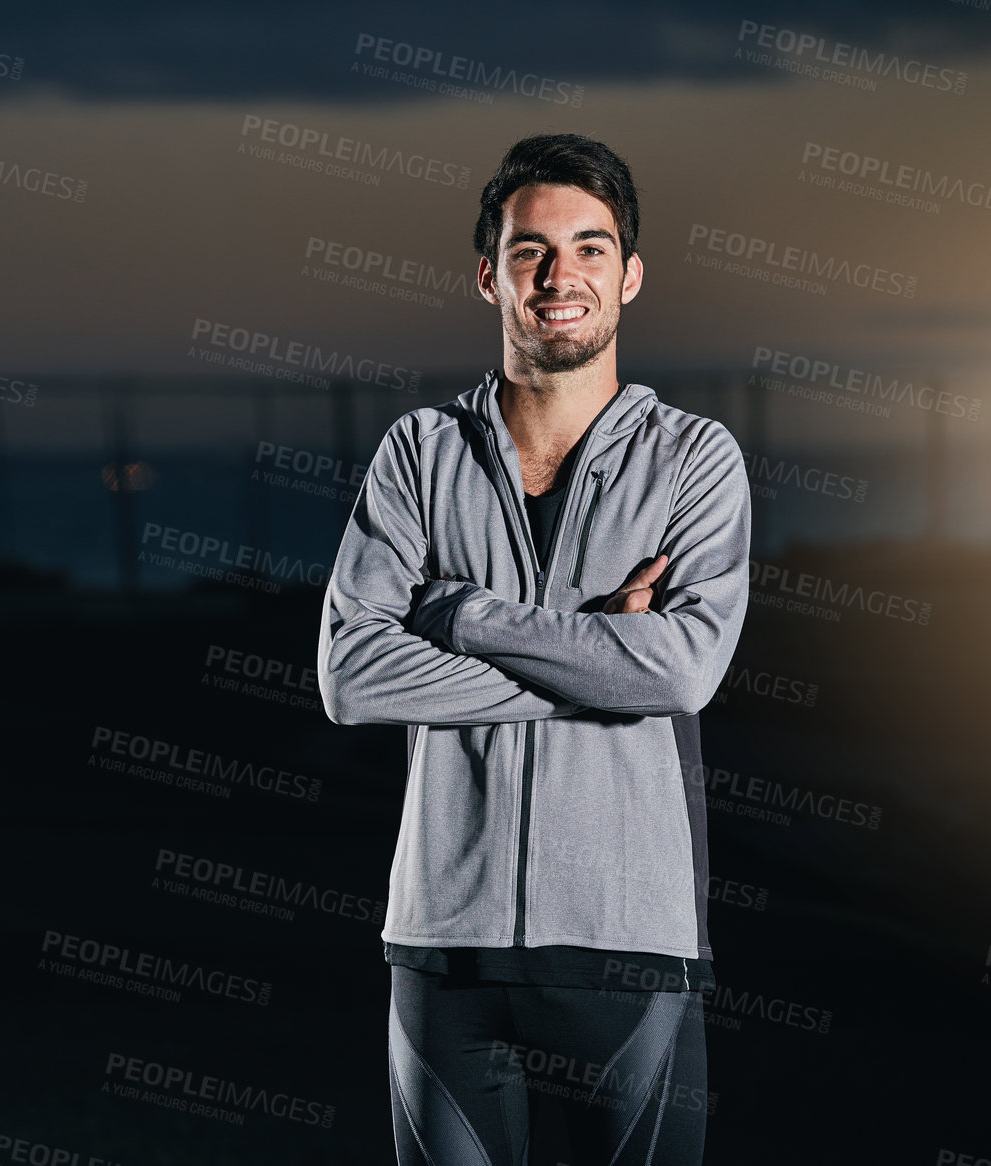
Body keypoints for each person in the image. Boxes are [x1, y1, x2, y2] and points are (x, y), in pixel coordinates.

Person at [317, 133, 751, 1165]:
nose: (562, 276)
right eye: (530, 251)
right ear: (488, 274)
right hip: (442, 947)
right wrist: (601, 664)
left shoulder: (693, 460)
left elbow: (682, 668)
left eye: (591, 248)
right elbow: (350, 672)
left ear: (630, 275)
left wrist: (465, 614)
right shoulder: (420, 453)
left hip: (630, 947)